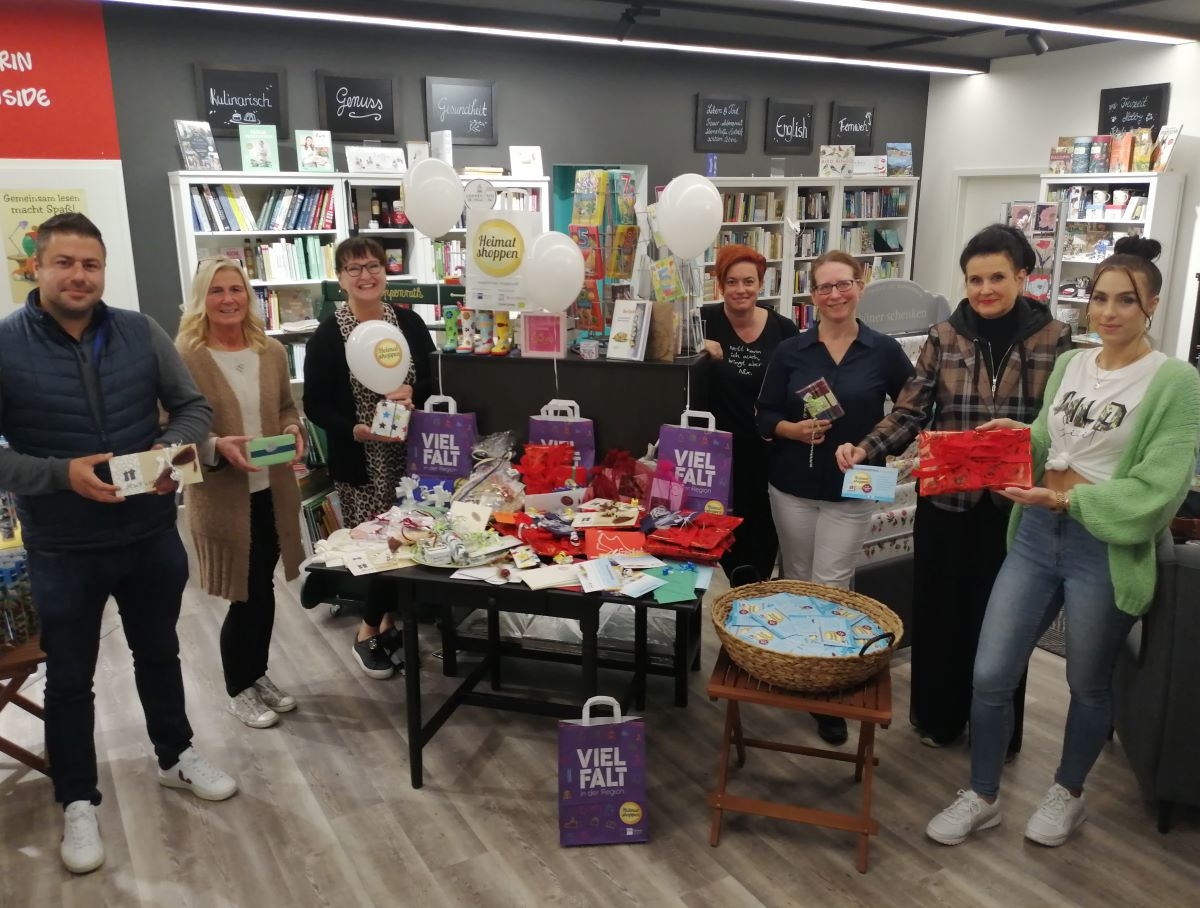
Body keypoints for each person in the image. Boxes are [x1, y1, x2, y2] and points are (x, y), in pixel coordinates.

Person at [925, 237, 1200, 847]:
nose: (1108, 312)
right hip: (1035, 536)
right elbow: (1051, 445)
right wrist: (1015, 436)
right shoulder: (1075, 364)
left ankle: (1068, 791)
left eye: (1125, 300)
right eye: (1099, 298)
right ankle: (983, 793)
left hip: (1100, 547)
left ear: (1151, 304)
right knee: (991, 672)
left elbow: (1161, 489)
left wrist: (1069, 499)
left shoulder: (1174, 382)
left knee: (1088, 683)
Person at [0, 213, 236, 875]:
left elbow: (193, 407)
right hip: (62, 546)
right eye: (65, 263)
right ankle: (77, 796)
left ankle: (175, 756)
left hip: (148, 535)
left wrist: (171, 452)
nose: (79, 276)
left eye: (90, 264)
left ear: (104, 270)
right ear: (37, 267)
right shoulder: (6, 343)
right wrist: (58, 475)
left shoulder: (140, 331)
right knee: (70, 681)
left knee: (159, 654)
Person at [835, 225, 1071, 751]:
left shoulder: (1054, 338)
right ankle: (938, 718)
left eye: (997, 278)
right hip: (946, 499)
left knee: (1003, 619)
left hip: (1015, 506)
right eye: (974, 279)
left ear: (1022, 276)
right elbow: (911, 410)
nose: (985, 289)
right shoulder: (945, 336)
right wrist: (867, 449)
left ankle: (998, 730)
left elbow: (1061, 421)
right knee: (941, 610)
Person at [756, 251, 913, 744]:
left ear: (861, 285)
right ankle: (793, 668)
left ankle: (826, 688)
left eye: (843, 284)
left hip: (858, 485)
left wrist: (875, 446)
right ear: (812, 296)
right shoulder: (793, 351)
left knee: (833, 585)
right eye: (824, 288)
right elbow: (763, 416)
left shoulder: (884, 350)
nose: (835, 295)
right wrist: (794, 429)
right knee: (798, 579)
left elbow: (913, 411)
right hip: (793, 486)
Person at [176, 257, 306, 729]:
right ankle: (238, 687)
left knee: (262, 588)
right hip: (223, 498)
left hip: (271, 491)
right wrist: (214, 447)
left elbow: (287, 407)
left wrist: (293, 428)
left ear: (248, 297)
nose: (228, 299)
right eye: (216, 291)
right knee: (244, 593)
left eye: (236, 289)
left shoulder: (269, 351)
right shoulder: (186, 357)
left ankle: (256, 676)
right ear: (200, 300)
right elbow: (169, 434)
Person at [303, 237, 435, 678]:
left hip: (413, 457)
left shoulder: (410, 324)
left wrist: (415, 393)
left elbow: (435, 379)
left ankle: (390, 622)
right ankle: (367, 632)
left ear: (386, 272)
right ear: (340, 278)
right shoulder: (328, 334)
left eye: (374, 266)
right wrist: (353, 429)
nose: (366, 275)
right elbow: (315, 404)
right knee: (382, 549)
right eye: (354, 268)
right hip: (362, 460)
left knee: (411, 541)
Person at [700, 243, 799, 580]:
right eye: (731, 281)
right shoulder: (703, 321)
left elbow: (798, 383)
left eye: (749, 281)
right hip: (716, 453)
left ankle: (756, 597)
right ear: (720, 285)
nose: (740, 289)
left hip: (769, 448)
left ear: (761, 283)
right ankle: (724, 605)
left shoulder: (784, 329)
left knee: (763, 530)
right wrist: (693, 345)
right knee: (719, 530)